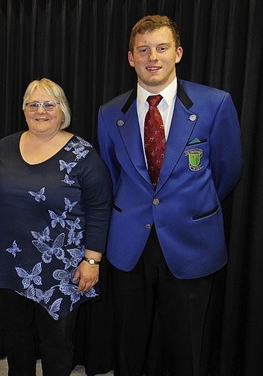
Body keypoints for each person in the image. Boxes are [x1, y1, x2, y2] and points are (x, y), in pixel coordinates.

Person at [97, 15, 243, 376]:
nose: (153, 57)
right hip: (130, 245)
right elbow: (110, 177)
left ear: (177, 53)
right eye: (143, 49)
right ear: (131, 58)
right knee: (129, 348)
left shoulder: (215, 104)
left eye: (161, 48)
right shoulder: (110, 113)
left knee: (188, 347)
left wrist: (191, 207)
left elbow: (227, 171)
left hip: (191, 241)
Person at [0, 78, 112, 375]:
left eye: (49, 104)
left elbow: (99, 208)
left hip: (61, 268)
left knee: (56, 345)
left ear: (63, 110)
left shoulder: (83, 154)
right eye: (33, 104)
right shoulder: (5, 147)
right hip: (9, 263)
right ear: (24, 109)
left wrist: (92, 260)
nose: (40, 111)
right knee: (16, 341)